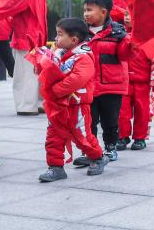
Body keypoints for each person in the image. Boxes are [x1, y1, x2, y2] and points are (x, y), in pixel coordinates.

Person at [36, 18, 108, 181]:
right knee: (53, 136)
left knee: (82, 136)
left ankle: (97, 157)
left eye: (60, 34)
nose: (56, 38)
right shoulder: (59, 54)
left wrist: (55, 90)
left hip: (77, 106)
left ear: (74, 40)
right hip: (59, 105)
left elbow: (77, 78)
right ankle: (55, 167)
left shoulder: (83, 57)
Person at [75, 0, 130, 166]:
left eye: (89, 10)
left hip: (111, 85)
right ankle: (92, 150)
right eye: (84, 10)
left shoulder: (118, 32)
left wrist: (130, 43)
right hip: (88, 86)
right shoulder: (79, 32)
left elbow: (124, 56)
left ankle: (110, 147)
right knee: (89, 120)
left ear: (103, 12)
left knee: (110, 120)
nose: (85, 14)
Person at [116, 10, 152, 151]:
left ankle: (140, 137)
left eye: (131, 14)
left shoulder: (148, 36)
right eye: (125, 14)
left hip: (142, 80)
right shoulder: (119, 33)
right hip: (123, 79)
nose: (127, 17)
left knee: (142, 110)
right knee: (121, 110)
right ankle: (122, 136)